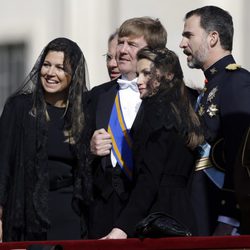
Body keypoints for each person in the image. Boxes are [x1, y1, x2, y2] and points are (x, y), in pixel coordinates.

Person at [102, 47, 204, 239]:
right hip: (184, 214)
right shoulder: (184, 107)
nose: (139, 81)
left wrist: (122, 228)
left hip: (158, 220)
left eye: (146, 74)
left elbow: (149, 178)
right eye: (138, 73)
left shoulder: (156, 110)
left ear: (167, 75)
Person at [0, 37, 91, 241]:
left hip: (70, 215)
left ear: (73, 73)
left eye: (60, 67)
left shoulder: (84, 112)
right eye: (47, 65)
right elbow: (3, 165)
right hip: (25, 212)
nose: (51, 73)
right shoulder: (19, 108)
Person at [85, 17, 168, 239]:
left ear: (153, 52)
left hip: (151, 211)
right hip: (103, 210)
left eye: (131, 45)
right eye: (120, 42)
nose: (121, 50)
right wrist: (90, 148)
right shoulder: (96, 96)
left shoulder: (165, 98)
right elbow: (74, 153)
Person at [179, 5, 250, 235]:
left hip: (221, 219)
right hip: (200, 216)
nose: (182, 44)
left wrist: (230, 218)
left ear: (213, 38)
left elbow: (241, 156)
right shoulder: (211, 87)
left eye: (188, 35)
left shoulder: (236, 81)